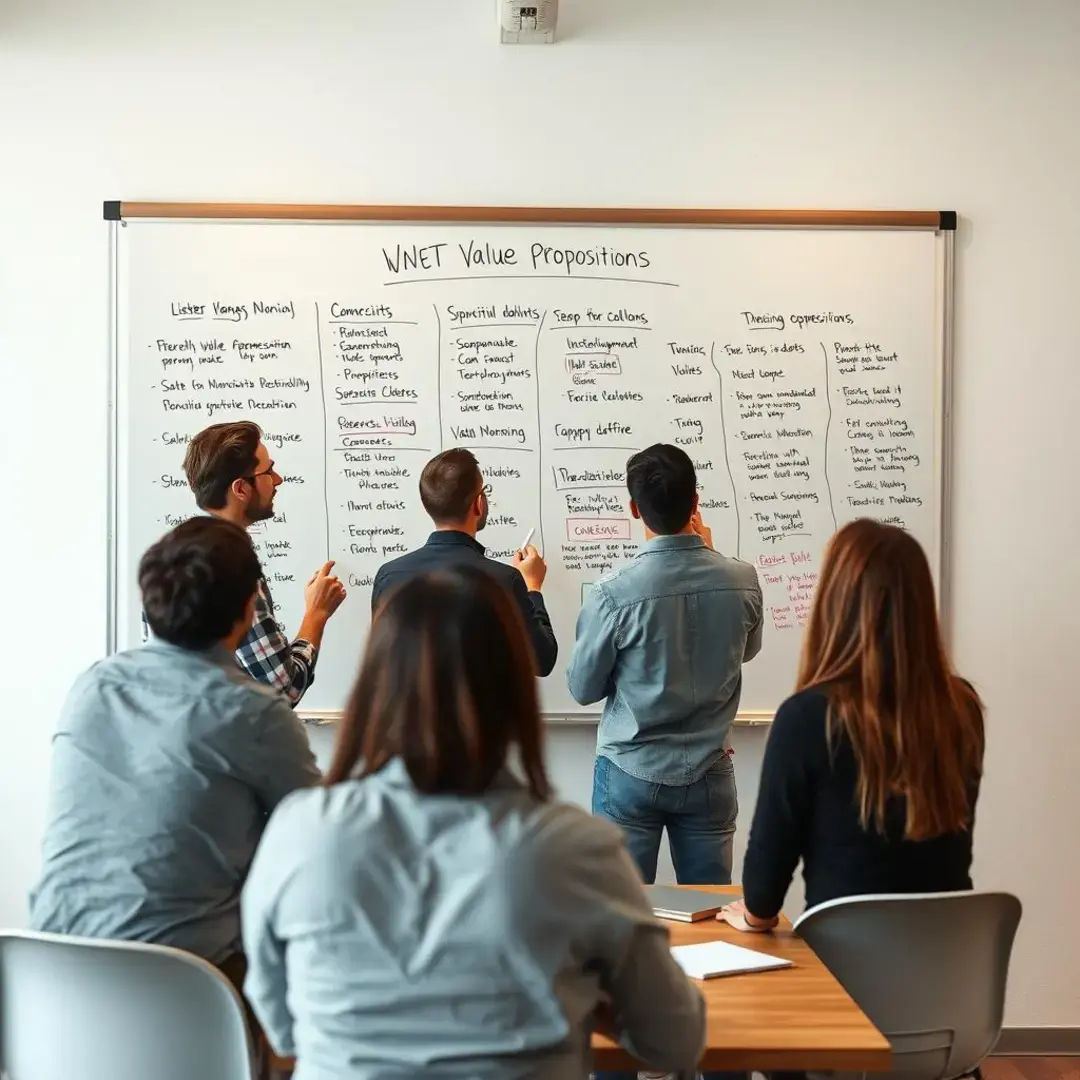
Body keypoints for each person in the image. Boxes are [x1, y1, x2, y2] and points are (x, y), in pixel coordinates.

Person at [241, 565, 706, 1080]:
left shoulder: (300, 832)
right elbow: (676, 1041)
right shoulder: (575, 848)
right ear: (511, 686)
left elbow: (280, 1029)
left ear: (375, 682)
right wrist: (595, 1004)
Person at [30, 516, 321, 1013]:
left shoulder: (92, 686)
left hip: (52, 989)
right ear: (249, 608)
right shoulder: (252, 711)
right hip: (185, 995)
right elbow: (326, 839)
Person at [718, 518, 985, 937]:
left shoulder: (807, 717)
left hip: (842, 978)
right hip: (949, 974)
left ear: (834, 603)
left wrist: (753, 917)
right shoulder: (960, 707)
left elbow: (764, 889)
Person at [567, 443, 763, 888]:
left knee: (623, 914)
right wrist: (714, 556)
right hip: (710, 768)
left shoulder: (612, 593)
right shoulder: (742, 580)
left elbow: (582, 688)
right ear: (696, 502)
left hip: (630, 770)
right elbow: (745, 652)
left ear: (635, 510)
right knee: (713, 914)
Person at [146, 420, 346, 706]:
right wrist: (316, 614)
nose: (278, 480)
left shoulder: (169, 557)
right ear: (241, 489)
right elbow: (283, 688)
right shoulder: (232, 567)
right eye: (268, 471)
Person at [371, 447, 558, 676]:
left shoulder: (389, 576)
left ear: (426, 505)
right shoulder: (503, 581)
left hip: (409, 712)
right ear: (478, 503)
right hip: (483, 713)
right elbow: (542, 660)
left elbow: (384, 662)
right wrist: (533, 587)